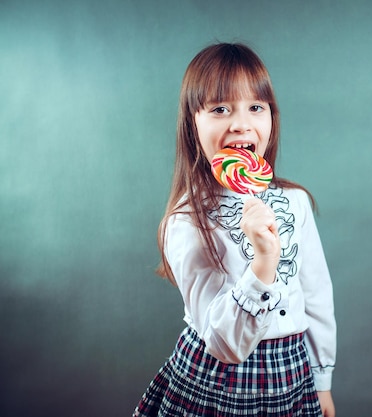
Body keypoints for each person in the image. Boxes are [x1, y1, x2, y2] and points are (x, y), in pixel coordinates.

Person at [133, 43, 336, 417]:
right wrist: (263, 263)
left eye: (256, 107)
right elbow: (225, 344)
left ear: (271, 119)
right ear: (193, 124)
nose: (241, 123)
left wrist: (322, 382)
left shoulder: (294, 203)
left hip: (293, 375)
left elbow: (317, 296)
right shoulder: (185, 221)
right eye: (221, 109)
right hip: (217, 380)